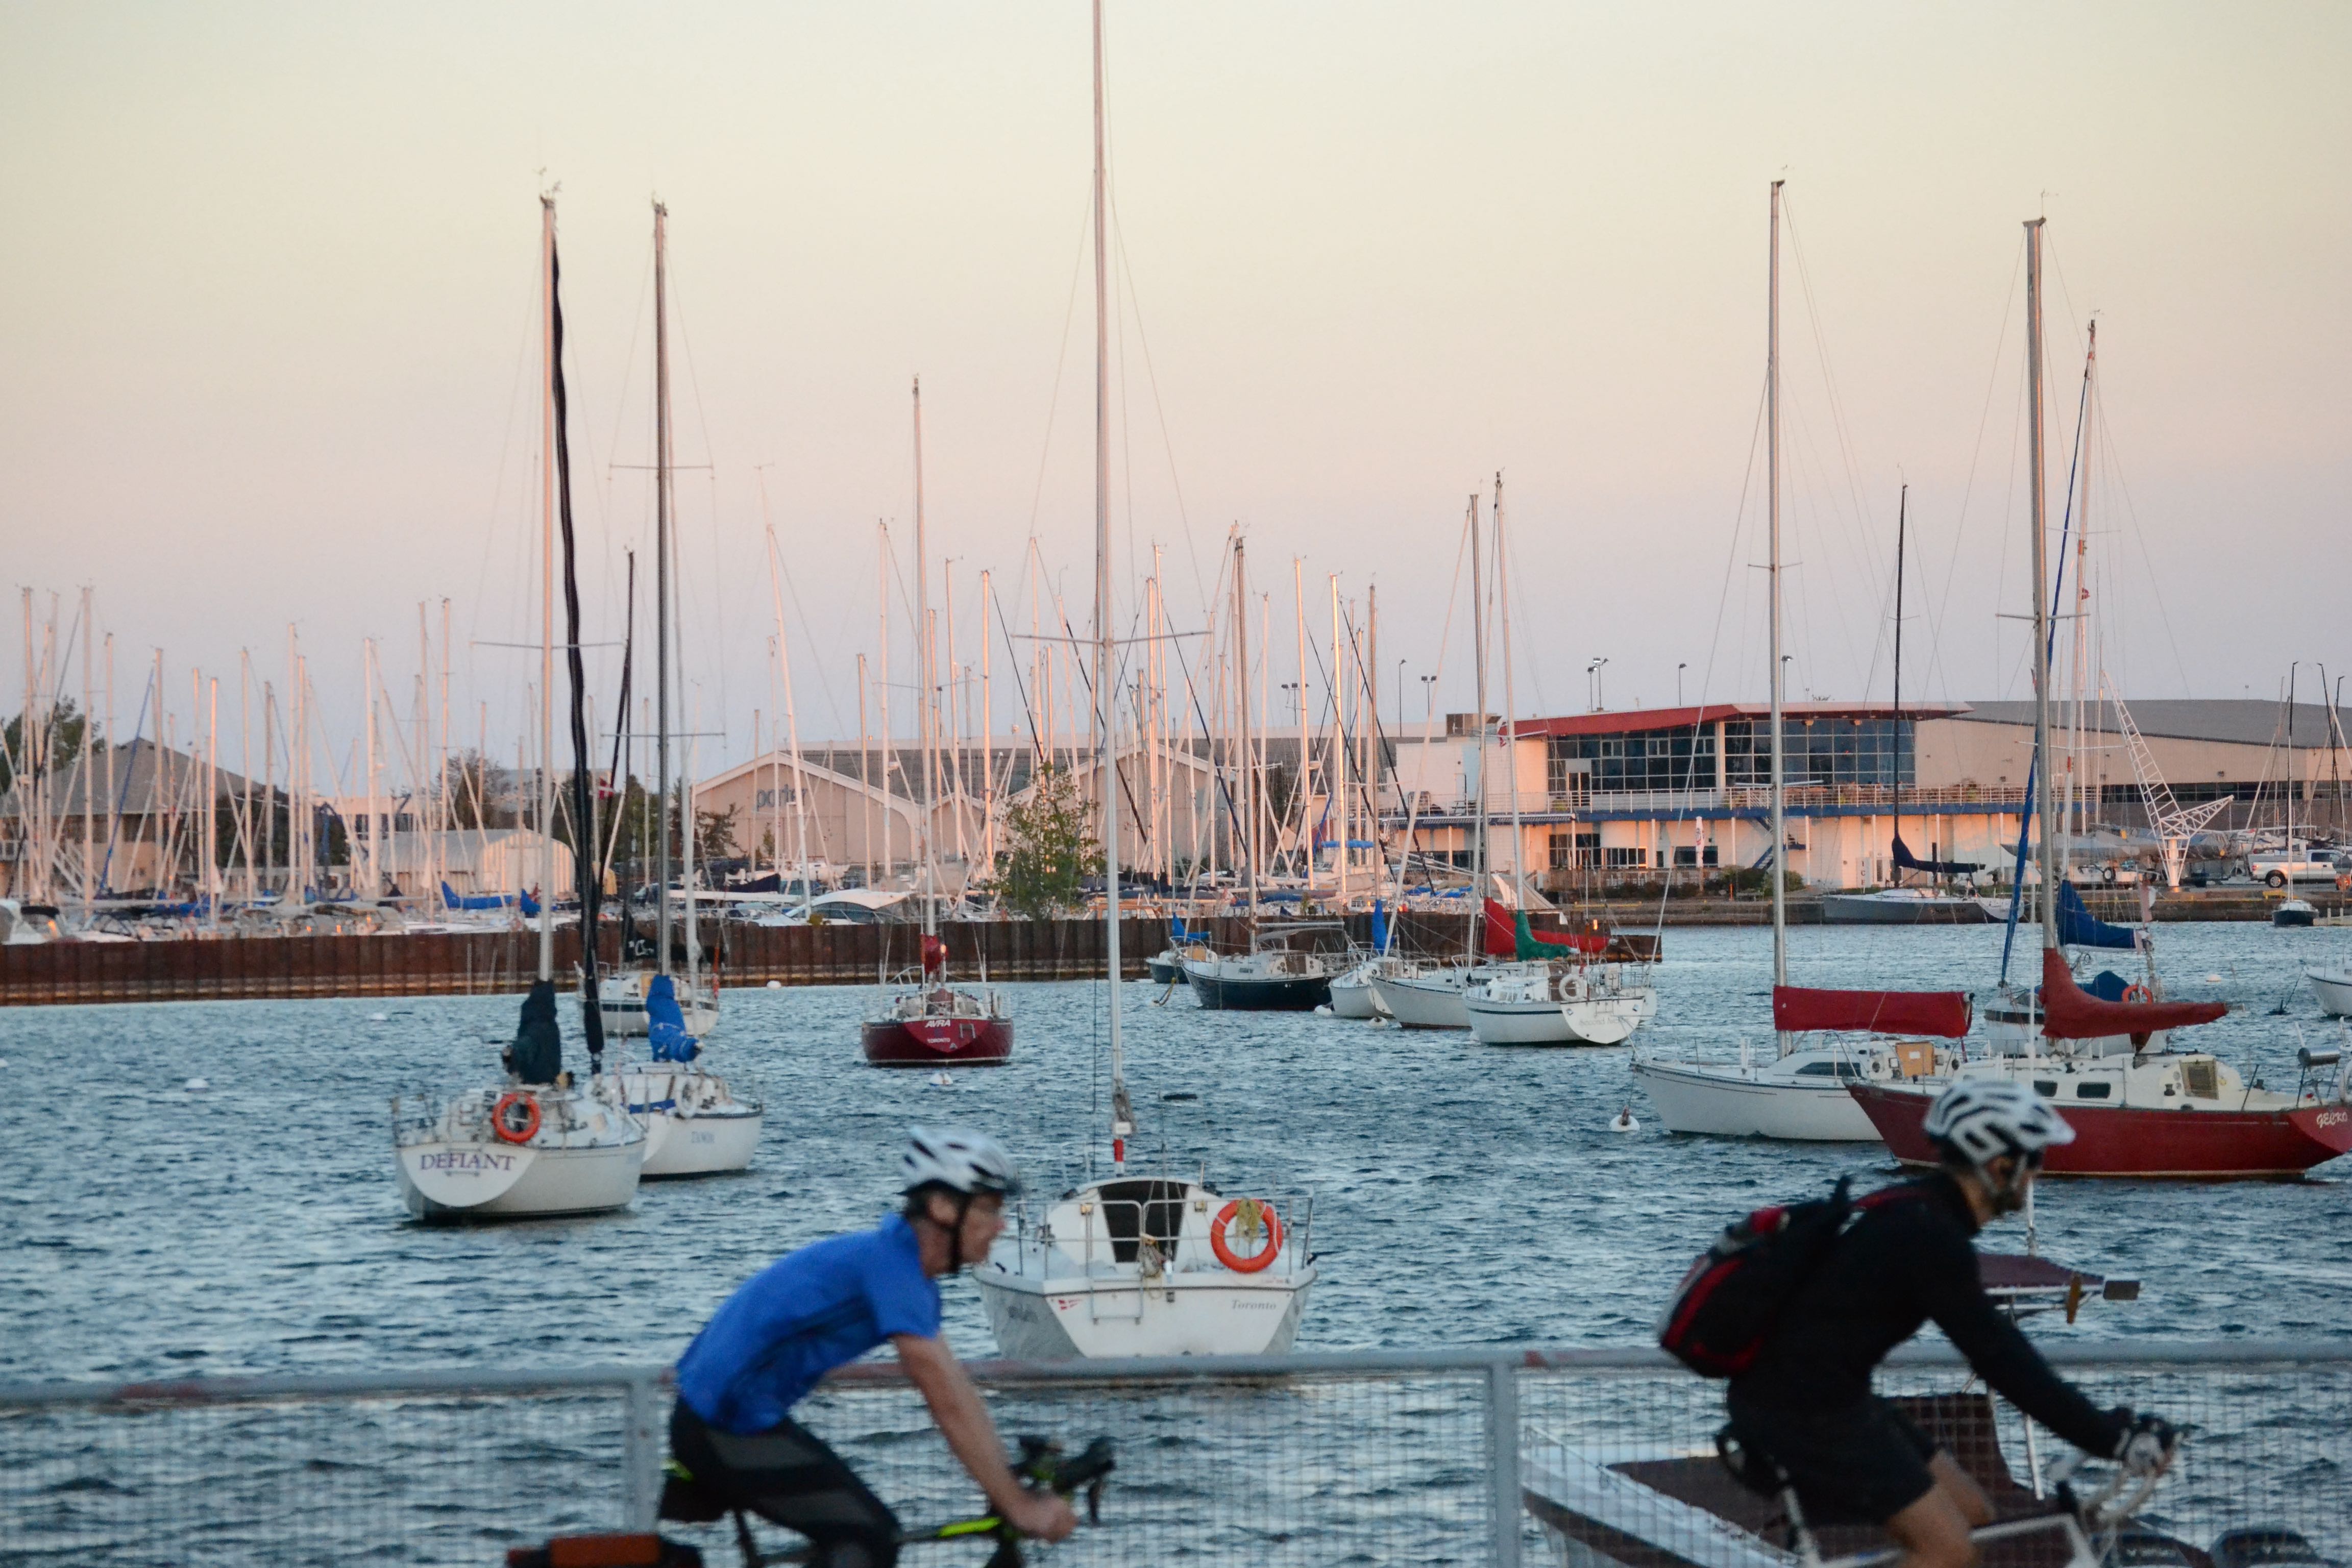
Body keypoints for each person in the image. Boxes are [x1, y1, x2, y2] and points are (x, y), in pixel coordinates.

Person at [1725, 1081, 2175, 1568]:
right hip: (1800, 1409)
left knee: (1974, 1514)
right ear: (2000, 1165)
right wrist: (2110, 1439)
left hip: (1830, 1397)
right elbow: (2000, 1357)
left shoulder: (1921, 1213)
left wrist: (2103, 1430)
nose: (2037, 1174)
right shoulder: (1928, 1236)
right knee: (1948, 1550)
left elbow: (2002, 1352)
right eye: (2034, 1160)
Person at [666, 1128, 1077, 1567]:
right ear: (942, 1207)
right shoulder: (893, 1268)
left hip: (734, 1417)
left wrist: (1005, 1481)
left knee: (865, 1535)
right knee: (867, 1539)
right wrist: (1017, 1505)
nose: (1000, 1225)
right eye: (989, 1208)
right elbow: (944, 1398)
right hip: (722, 1425)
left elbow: (957, 1387)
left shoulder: (899, 1270)